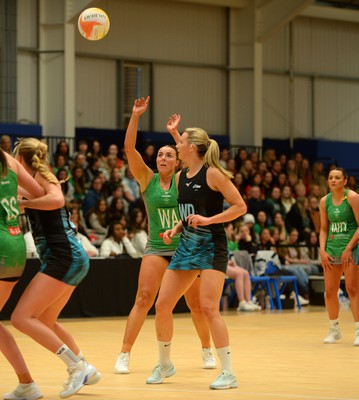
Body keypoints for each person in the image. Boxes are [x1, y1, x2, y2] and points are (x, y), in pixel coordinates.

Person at [114, 98, 217, 375]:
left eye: (169, 154)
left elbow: (195, 156)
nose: (163, 158)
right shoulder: (146, 179)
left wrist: (175, 135)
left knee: (195, 304)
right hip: (157, 247)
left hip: (186, 247)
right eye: (160, 154)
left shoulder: (186, 177)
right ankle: (124, 353)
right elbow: (128, 148)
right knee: (144, 297)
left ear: (177, 160)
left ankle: (207, 349)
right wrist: (135, 116)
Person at [148, 115, 247, 390]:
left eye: (181, 143)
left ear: (192, 147)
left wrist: (210, 220)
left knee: (207, 309)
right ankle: (165, 364)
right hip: (186, 247)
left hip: (212, 246)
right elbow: (189, 214)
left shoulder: (213, 173)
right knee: (162, 305)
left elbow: (240, 207)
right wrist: (175, 229)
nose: (176, 146)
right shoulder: (181, 177)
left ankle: (228, 372)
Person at [11, 138, 101, 399]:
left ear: (23, 158)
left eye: (17, 157)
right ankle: (85, 365)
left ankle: (77, 367)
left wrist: (25, 204)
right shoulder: (29, 182)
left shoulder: (43, 175)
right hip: (68, 257)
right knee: (46, 320)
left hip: (64, 257)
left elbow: (57, 199)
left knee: (21, 318)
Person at [0, 148, 45, 400]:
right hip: (15, 244)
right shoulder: (8, 159)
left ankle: (27, 383)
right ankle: (26, 382)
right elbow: (38, 193)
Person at [319, 167, 359, 345]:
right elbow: (323, 229)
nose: (333, 180)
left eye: (337, 178)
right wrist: (322, 250)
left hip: (351, 248)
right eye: (330, 178)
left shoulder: (352, 198)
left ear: (345, 181)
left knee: (352, 289)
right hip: (331, 249)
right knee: (329, 291)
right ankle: (334, 329)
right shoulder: (324, 201)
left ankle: (358, 330)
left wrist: (349, 248)